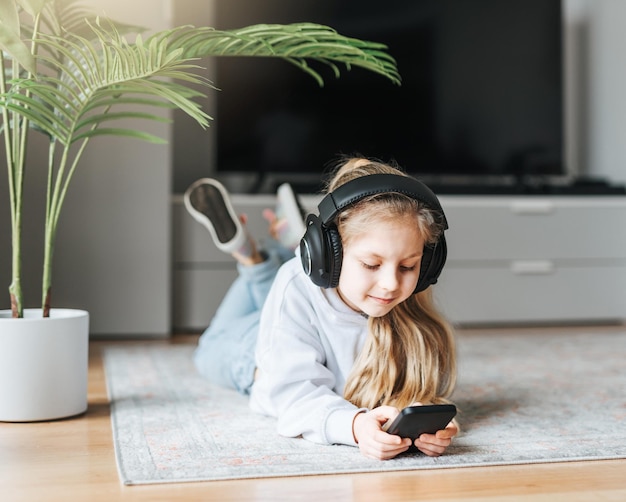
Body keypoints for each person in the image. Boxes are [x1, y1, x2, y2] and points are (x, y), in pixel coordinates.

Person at [184, 156, 458, 460]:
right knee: (207, 350)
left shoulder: (409, 304)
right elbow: (293, 396)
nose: (391, 283)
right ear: (329, 255)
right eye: (371, 264)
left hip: (298, 312)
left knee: (284, 284)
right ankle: (252, 257)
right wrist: (354, 425)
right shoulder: (295, 286)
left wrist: (424, 417)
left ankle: (277, 248)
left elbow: (421, 392)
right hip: (253, 353)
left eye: (408, 266)